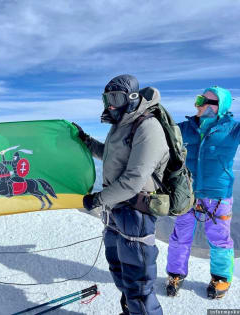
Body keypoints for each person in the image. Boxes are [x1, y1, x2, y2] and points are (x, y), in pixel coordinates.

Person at [74, 74, 169, 315]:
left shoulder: (148, 126)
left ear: (133, 98)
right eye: (107, 99)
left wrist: (98, 199)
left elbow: (134, 179)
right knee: (119, 270)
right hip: (116, 209)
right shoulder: (122, 125)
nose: (110, 105)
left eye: (115, 97)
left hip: (136, 212)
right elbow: (111, 156)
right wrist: (86, 141)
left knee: (139, 283)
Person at [166, 86, 240, 299]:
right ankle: (176, 274)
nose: (198, 104)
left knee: (220, 238)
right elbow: (158, 135)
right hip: (187, 192)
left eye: (203, 100)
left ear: (218, 107)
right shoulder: (184, 128)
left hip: (218, 194)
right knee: (180, 235)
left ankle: (221, 278)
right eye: (198, 99)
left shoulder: (233, 130)